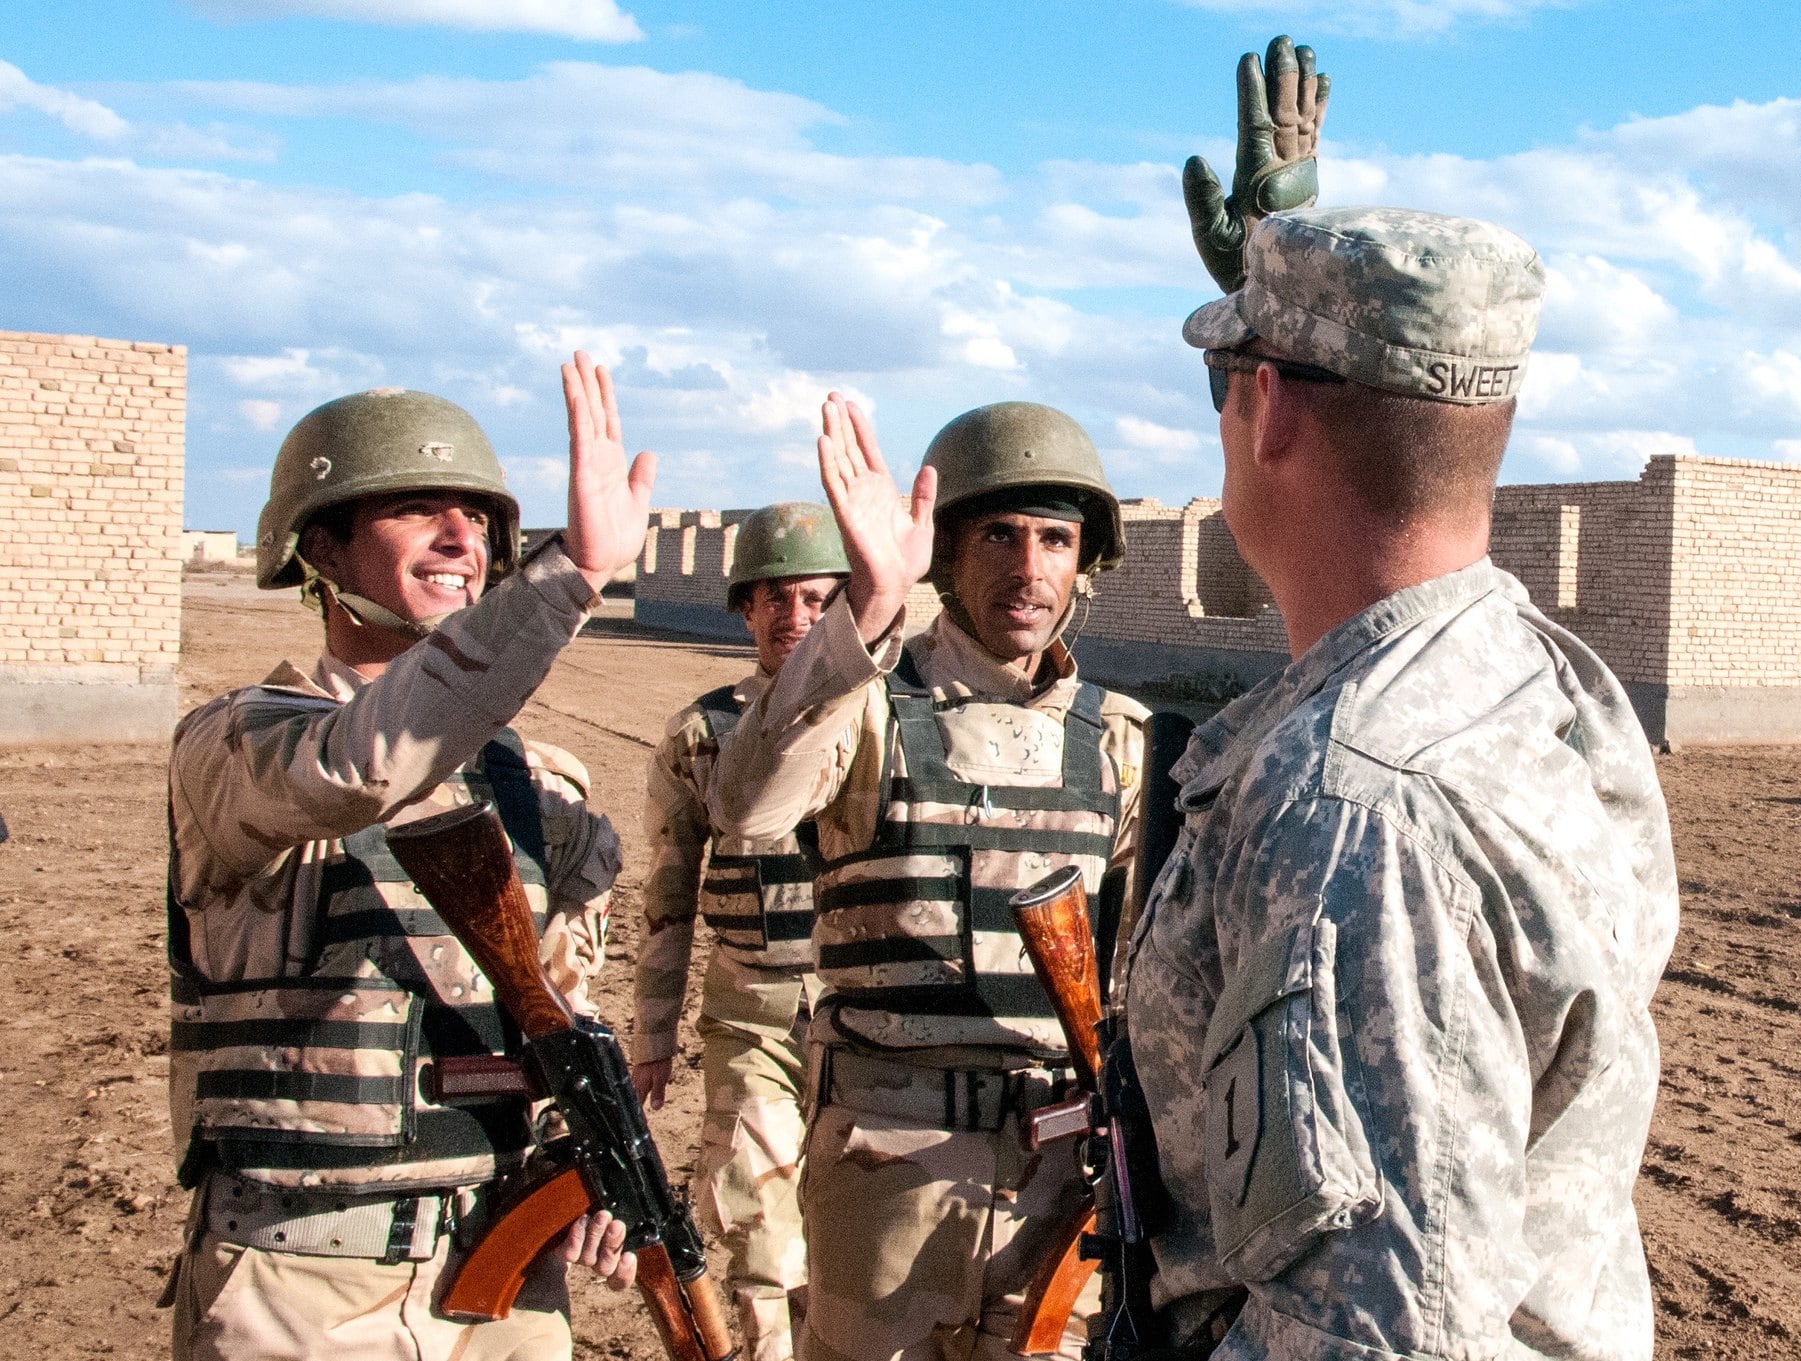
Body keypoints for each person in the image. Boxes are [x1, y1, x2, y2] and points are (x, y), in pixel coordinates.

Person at [1120, 202, 1682, 1356]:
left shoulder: (1353, 811)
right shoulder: (1531, 677)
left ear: (1267, 407)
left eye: (1223, 381)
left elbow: (1382, 1331)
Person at [163, 357, 656, 1361]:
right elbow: (363, 767)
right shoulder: (239, 742)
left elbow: (563, 1007)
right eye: (414, 509)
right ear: (319, 548)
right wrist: (567, 579)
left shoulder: (541, 782)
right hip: (301, 1289)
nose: (459, 538)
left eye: (476, 516)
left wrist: (585, 1165)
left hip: (502, 1281)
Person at [706, 398, 1150, 1361]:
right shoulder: (867, 707)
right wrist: (865, 608)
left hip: (1060, 1182)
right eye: (998, 534)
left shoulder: (1123, 741)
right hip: (887, 1175)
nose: (1029, 568)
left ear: (1086, 562)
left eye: (1055, 539)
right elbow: (744, 804)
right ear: (946, 552)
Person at [631, 501, 851, 1361]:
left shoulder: (883, 727)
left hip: (863, 1024)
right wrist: (652, 1034)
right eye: (774, 599)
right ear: (745, 609)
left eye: (814, 599)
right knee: (758, 1229)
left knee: (850, 1233)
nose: (794, 618)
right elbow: (666, 895)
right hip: (749, 1016)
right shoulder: (701, 733)